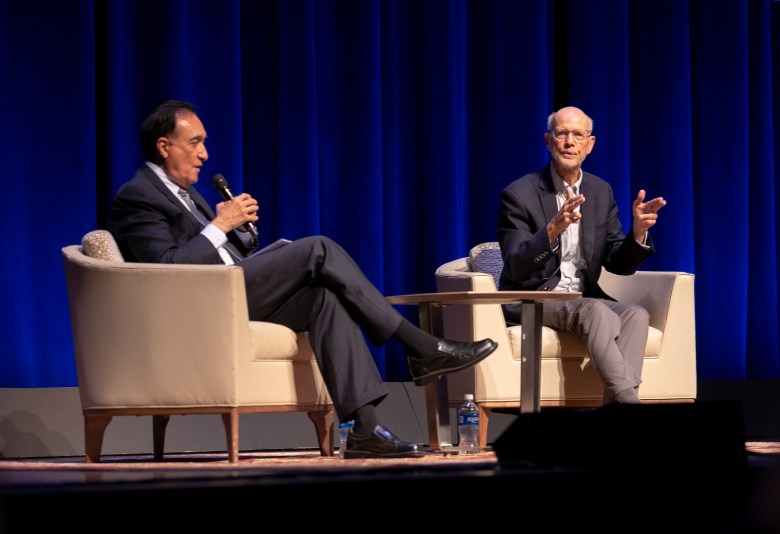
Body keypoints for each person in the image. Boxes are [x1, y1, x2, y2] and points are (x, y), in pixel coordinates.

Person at [107, 99, 498, 459]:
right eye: (195, 143)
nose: (204, 154)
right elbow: (168, 267)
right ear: (163, 146)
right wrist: (220, 224)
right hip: (200, 303)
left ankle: (365, 428)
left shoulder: (186, 194)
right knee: (318, 249)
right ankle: (420, 347)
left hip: (229, 291)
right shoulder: (138, 196)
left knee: (324, 297)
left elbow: (218, 251)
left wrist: (235, 233)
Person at [497, 106, 666, 404]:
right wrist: (552, 229)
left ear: (590, 144)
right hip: (534, 299)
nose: (569, 142)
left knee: (636, 315)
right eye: (562, 134)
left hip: (582, 298)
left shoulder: (600, 192)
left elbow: (618, 263)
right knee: (595, 310)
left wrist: (637, 233)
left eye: (578, 135)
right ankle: (633, 407)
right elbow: (515, 265)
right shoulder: (519, 194)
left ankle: (617, 417)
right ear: (548, 141)